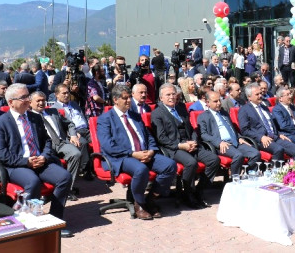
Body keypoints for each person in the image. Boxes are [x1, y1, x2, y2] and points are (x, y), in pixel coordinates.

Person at [0, 84, 73, 236]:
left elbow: (47, 141)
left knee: (65, 177)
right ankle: (28, 224)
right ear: (10, 102)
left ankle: (54, 221)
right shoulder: (0, 123)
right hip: (16, 165)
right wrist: (26, 162)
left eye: (28, 96)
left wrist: (44, 156)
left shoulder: (35, 118)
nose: (28, 100)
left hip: (39, 161)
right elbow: (1, 153)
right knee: (32, 182)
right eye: (23, 98)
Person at [98, 85, 177, 220]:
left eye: (129, 97)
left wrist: (151, 151)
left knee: (170, 165)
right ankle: (139, 204)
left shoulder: (135, 116)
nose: (129, 100)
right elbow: (107, 146)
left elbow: (148, 136)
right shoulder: (105, 119)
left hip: (144, 153)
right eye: (125, 98)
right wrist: (133, 154)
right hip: (122, 156)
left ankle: (150, 199)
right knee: (141, 170)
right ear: (115, 100)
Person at [151, 84, 219, 209]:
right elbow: (161, 138)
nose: (172, 97)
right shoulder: (157, 114)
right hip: (173, 148)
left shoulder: (181, 108)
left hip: (189, 144)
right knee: (191, 163)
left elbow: (191, 129)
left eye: (173, 94)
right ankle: (187, 194)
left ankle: (198, 191)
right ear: (161, 98)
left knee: (214, 160)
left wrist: (193, 141)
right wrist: (180, 145)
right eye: (168, 95)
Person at [29, 91, 82, 198]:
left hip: (61, 142)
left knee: (76, 153)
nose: (41, 103)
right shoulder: (29, 117)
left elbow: (70, 123)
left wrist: (73, 135)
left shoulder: (53, 111)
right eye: (38, 101)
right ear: (30, 103)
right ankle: (53, 188)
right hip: (44, 146)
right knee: (51, 161)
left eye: (43, 100)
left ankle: (67, 189)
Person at [197, 91, 260, 175]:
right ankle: (235, 179)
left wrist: (239, 137)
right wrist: (218, 142)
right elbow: (203, 135)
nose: (219, 103)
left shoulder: (224, 113)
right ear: (208, 103)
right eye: (215, 101)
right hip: (222, 144)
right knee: (238, 155)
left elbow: (231, 129)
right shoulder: (203, 116)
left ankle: (248, 175)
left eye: (219, 100)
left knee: (255, 154)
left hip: (235, 141)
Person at [237, 83, 295, 161]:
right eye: (257, 94)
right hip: (260, 140)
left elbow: (271, 124)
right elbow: (245, 130)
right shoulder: (244, 110)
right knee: (278, 149)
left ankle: (293, 172)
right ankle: (276, 172)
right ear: (249, 97)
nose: (260, 96)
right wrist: (261, 137)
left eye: (260, 93)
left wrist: (279, 134)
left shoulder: (264, 108)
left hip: (274, 137)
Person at [53, 84, 91, 177]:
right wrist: (71, 134)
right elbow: (60, 127)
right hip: (74, 133)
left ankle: (100, 165)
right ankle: (85, 170)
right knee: (82, 143)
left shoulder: (74, 104)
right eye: (64, 93)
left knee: (99, 140)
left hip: (86, 129)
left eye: (68, 93)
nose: (67, 95)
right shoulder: (54, 109)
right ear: (57, 95)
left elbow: (82, 116)